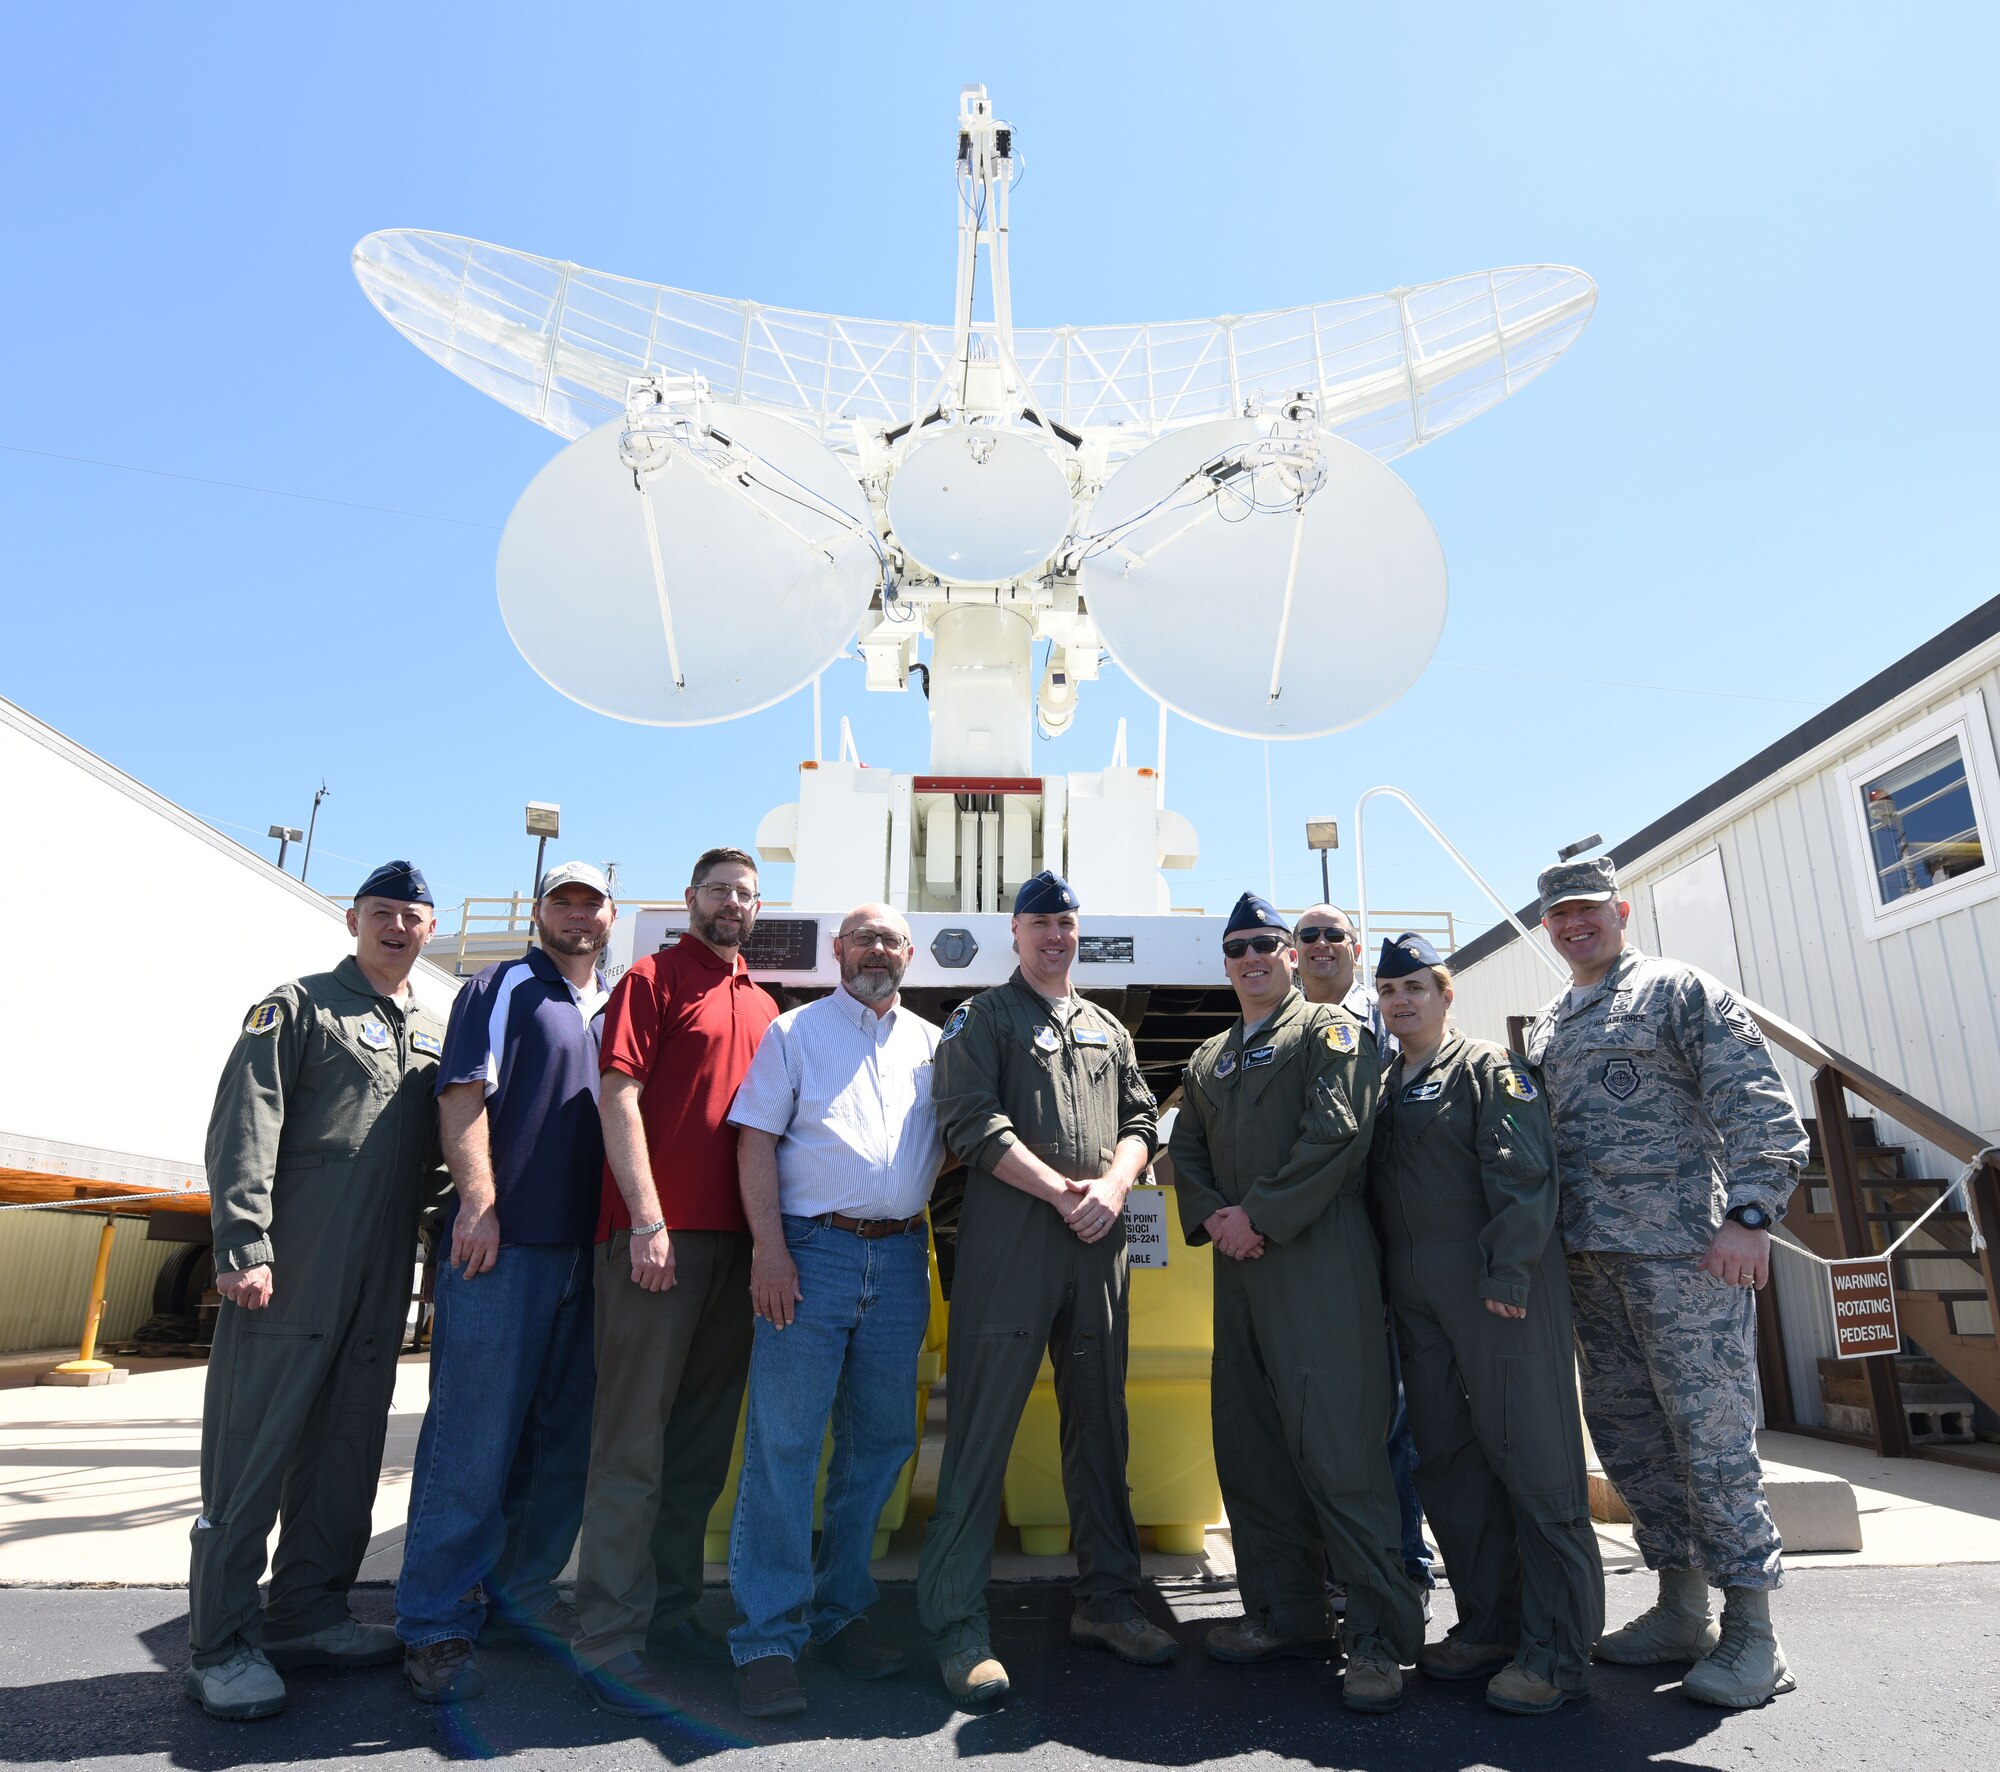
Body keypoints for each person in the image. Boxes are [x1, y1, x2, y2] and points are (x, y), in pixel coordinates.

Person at [1526, 855, 1808, 1709]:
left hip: (1688, 1258)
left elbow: (1760, 1103)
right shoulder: (1553, 1020)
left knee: (1711, 1441)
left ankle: (1755, 1631)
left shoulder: (1679, 989)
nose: (1574, 925)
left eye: (1587, 910)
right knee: (1632, 1441)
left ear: (1620, 908)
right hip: (1589, 1264)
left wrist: (1751, 1214)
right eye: (1558, 916)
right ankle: (1681, 1609)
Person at [184, 861, 448, 1721]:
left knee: (345, 1454)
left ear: (431, 930)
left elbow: (437, 1164)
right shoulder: (297, 1006)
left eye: (411, 917)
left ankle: (307, 1613)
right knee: (251, 1452)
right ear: (352, 920)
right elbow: (246, 1119)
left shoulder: (429, 1033)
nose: (397, 928)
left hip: (379, 1280)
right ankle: (220, 1645)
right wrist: (243, 1242)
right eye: (382, 913)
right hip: (291, 1267)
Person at [917, 869, 1174, 1703]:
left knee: (1102, 1429)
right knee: (981, 1432)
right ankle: (958, 1626)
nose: (1055, 937)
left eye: (1066, 923)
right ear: (1015, 935)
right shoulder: (982, 1019)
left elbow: (1140, 1120)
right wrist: (1065, 1192)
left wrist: (1114, 1186)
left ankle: (1107, 1601)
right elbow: (969, 1121)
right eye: (1040, 925)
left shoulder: (1106, 1027)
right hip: (1014, 1249)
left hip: (1097, 1246)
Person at [1168, 893, 1422, 1715]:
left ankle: (1380, 1637)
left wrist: (1259, 1216)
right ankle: (1285, 1615)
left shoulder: (1327, 1032)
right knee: (1251, 1447)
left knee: (1342, 1454)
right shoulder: (1208, 1058)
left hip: (1317, 1263)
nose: (1253, 958)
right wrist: (1215, 1217)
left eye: (1267, 946)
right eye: (1238, 947)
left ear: (1290, 957)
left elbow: (1338, 1134)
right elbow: (1188, 1150)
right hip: (1238, 1274)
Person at [396, 862, 617, 1702]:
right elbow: (462, 1097)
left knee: (561, 1446)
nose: (576, 914)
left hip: (589, 1256)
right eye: (562, 901)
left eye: (590, 903)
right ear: (539, 911)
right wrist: (480, 1206)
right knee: (472, 1443)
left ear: (610, 915)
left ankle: (522, 1600)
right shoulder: (504, 986)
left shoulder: (614, 1000)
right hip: (507, 1250)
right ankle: (436, 1622)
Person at [1367, 931, 1603, 1715]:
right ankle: (1491, 1624)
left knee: (1534, 1462)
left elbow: (1524, 1172)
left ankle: (1560, 1650)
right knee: (1450, 1465)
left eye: (1416, 988)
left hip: (1495, 1293)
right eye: (1390, 991)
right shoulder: (1385, 1084)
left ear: (1445, 992)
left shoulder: (1487, 1071)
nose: (1401, 1001)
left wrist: (1508, 1269)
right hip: (1417, 1305)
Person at [569, 847, 779, 1716]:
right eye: (719, 890)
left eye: (746, 893)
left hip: (738, 1251)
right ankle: (608, 1637)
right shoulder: (651, 980)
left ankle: (671, 1612)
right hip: (657, 1243)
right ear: (691, 899)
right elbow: (619, 1096)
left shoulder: (767, 1005)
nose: (732, 903)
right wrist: (647, 1218)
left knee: (696, 1453)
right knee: (631, 1449)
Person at [722, 904, 944, 1718]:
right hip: (809, 1258)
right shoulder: (793, 1032)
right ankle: (768, 1641)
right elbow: (753, 1141)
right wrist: (769, 1250)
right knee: (785, 1443)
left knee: (878, 1445)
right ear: (838, 951)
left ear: (909, 955)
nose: (875, 952)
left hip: (899, 1257)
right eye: (862, 940)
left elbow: (950, 1142)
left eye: (890, 940)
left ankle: (842, 1612)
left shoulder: (932, 1045)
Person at [1293, 903, 1433, 1612]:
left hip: (1388, 1250)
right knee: (1321, 1418)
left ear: (1353, 947)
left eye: (1333, 935)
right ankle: (1333, 1567)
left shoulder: (1388, 1019)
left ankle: (1403, 1568)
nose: (1320, 946)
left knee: (1391, 1420)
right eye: (1307, 936)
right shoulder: (1280, 1031)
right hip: (1309, 1253)